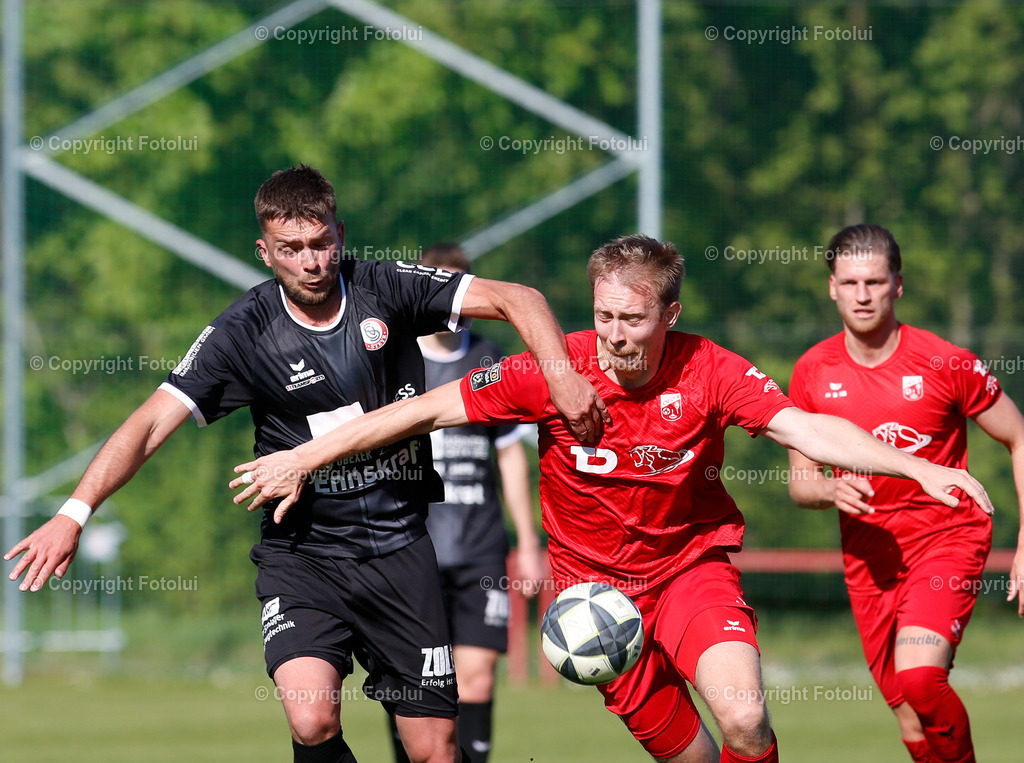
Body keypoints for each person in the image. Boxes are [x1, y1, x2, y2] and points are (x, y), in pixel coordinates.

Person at [229, 233, 994, 763]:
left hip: (693, 572)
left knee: (746, 715)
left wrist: (917, 468)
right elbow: (418, 411)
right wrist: (303, 454)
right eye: (604, 317)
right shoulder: (556, 370)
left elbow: (808, 428)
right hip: (598, 604)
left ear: (671, 315)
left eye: (634, 319)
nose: (617, 336)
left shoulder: (711, 369)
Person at [4, 165, 608, 763]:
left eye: (321, 244)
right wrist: (74, 514)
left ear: (340, 235)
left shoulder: (387, 287)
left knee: (434, 748)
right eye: (291, 249)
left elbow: (517, 297)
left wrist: (563, 377)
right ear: (265, 251)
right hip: (303, 556)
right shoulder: (242, 333)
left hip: (401, 550)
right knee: (312, 716)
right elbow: (149, 424)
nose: (311, 262)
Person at [786, 224, 1024, 763]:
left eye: (875, 280)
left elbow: (1018, 435)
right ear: (831, 287)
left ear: (899, 285)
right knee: (906, 711)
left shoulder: (946, 362)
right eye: (850, 282)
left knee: (919, 679)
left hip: (947, 538)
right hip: (870, 557)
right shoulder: (811, 372)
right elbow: (802, 485)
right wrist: (828, 489)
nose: (862, 294)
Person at [382, 243, 545, 763]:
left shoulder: (491, 360)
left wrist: (529, 542)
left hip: (479, 550)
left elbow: (512, 459)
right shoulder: (393, 360)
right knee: (413, 685)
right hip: (410, 547)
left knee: (475, 677)